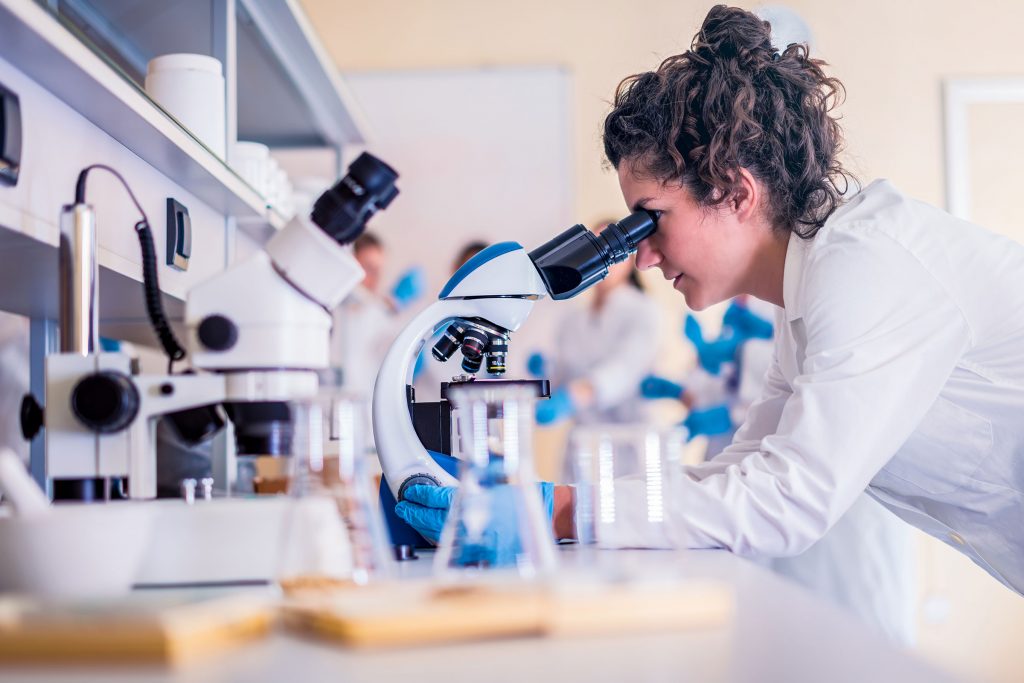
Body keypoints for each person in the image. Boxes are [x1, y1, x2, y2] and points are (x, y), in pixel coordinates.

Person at [399, 5, 1024, 598]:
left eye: (650, 221)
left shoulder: (870, 265)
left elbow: (787, 500)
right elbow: (741, 471)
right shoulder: (807, 293)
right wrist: (555, 499)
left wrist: (554, 510)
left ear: (735, 192)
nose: (642, 256)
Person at [529, 221, 660, 427]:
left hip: (627, 438)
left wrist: (573, 397)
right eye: (593, 249)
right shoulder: (573, 319)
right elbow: (564, 378)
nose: (602, 257)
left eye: (610, 249)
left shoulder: (641, 310)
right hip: (582, 438)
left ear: (629, 259)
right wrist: (546, 373)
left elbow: (624, 370)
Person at [331, 232, 424, 401]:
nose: (375, 278)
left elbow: (399, 350)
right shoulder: (332, 307)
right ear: (351, 262)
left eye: (378, 271)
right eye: (368, 268)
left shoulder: (380, 314)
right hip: (333, 402)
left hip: (365, 408)